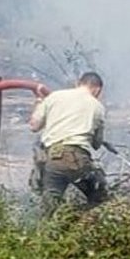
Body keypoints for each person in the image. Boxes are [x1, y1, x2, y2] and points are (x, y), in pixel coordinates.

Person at [29, 71, 109, 213]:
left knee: (50, 206)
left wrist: (38, 104)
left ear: (78, 83)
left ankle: (47, 231)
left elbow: (34, 126)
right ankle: (89, 225)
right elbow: (96, 144)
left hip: (52, 159)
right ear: (97, 89)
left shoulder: (54, 97)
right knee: (99, 199)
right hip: (78, 160)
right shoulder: (97, 107)